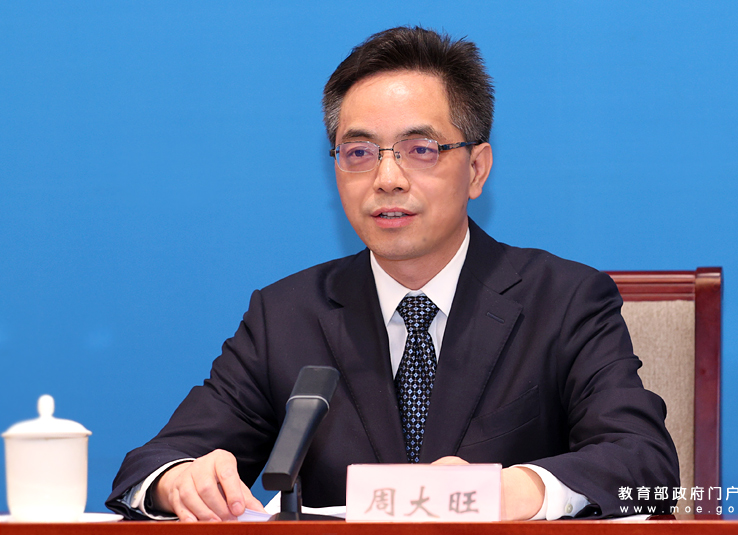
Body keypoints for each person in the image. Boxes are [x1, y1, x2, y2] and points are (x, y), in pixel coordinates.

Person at [107, 26, 679, 522]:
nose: (387, 179)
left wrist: (512, 490)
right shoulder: (285, 316)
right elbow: (152, 465)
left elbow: (644, 460)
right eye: (359, 153)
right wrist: (179, 480)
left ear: (476, 169)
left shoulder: (565, 300)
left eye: (420, 149)